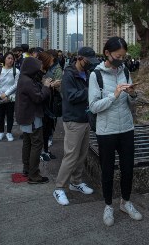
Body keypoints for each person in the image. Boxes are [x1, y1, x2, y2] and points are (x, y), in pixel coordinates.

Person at [88, 37, 142, 226]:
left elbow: (131, 102)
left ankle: (126, 202)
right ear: (107, 53)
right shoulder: (97, 75)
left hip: (126, 127)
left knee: (128, 168)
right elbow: (93, 106)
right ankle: (108, 205)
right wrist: (114, 95)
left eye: (123, 56)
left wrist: (133, 95)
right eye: (118, 56)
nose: (121, 59)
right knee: (108, 170)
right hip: (106, 131)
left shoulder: (125, 71)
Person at [52, 46, 98, 207]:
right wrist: (91, 90)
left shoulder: (88, 73)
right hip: (73, 120)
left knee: (82, 154)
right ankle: (59, 187)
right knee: (71, 155)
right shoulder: (69, 75)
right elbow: (71, 96)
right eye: (88, 61)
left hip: (85, 118)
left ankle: (76, 181)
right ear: (79, 58)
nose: (90, 64)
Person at [14, 56, 53, 184]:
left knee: (27, 143)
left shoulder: (23, 78)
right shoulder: (28, 81)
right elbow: (38, 97)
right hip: (32, 117)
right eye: (37, 69)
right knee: (37, 144)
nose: (38, 71)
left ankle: (27, 169)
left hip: (25, 116)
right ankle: (34, 175)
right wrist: (46, 86)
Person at [38, 50, 62, 161]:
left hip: (50, 102)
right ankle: (41, 152)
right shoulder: (37, 72)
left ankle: (46, 151)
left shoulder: (51, 69)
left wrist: (53, 84)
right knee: (41, 130)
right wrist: (48, 84)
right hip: (42, 104)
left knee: (48, 128)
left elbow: (59, 85)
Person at [0, 52, 20, 141]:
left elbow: (16, 85)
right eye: (8, 58)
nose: (10, 60)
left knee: (10, 115)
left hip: (11, 98)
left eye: (12, 59)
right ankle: (1, 132)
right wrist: (1, 95)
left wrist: (6, 94)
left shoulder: (16, 71)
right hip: (0, 96)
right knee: (0, 115)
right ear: (4, 59)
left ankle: (9, 132)